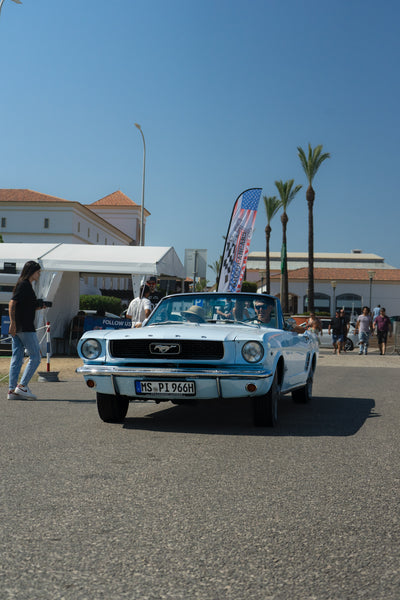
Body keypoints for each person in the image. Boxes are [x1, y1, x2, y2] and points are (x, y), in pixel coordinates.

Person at [8, 261, 47, 400]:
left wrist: (39, 306)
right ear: (31, 272)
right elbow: (12, 303)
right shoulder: (24, 285)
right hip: (25, 327)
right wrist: (12, 323)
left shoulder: (24, 285)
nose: (39, 274)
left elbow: (25, 306)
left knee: (17, 358)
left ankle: (12, 391)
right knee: (36, 357)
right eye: (38, 272)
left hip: (19, 328)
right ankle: (22, 386)